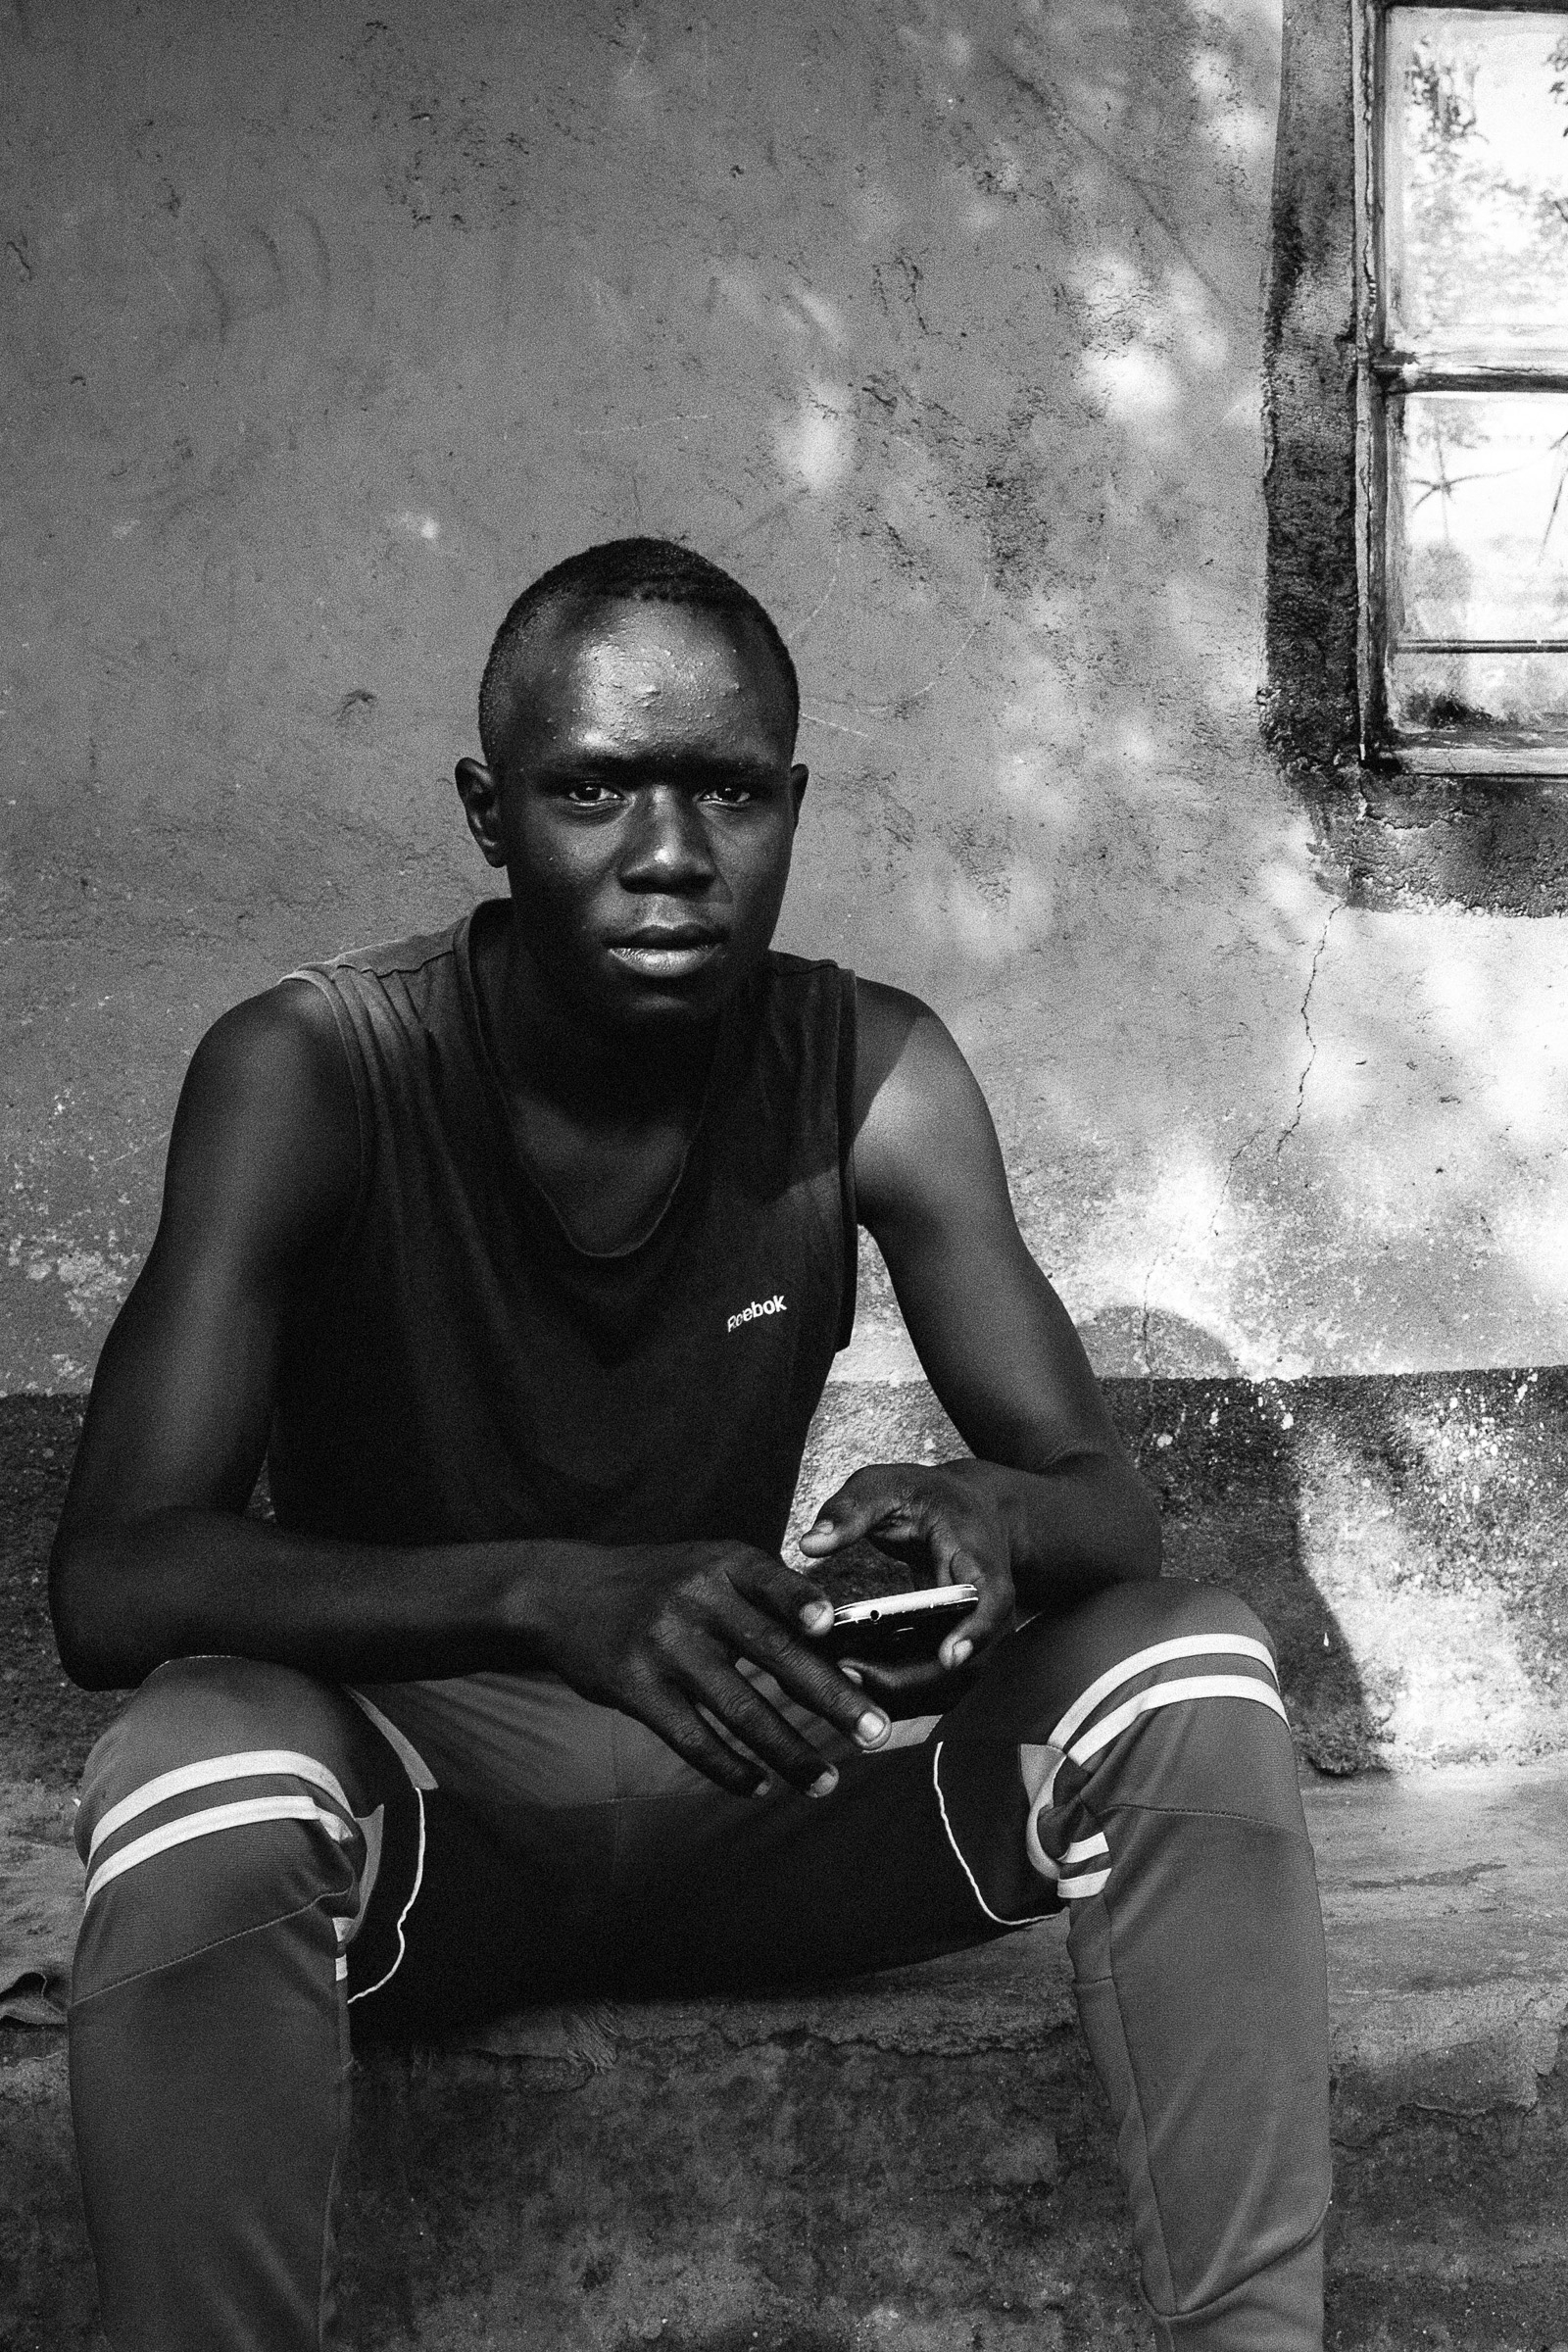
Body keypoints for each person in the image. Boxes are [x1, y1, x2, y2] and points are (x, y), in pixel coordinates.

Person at [51, 536, 1330, 2352]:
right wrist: (541, 1597)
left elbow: (1105, 1502)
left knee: (1195, 1661)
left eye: (727, 790)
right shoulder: (314, 1070)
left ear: (791, 805)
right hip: (434, 1840)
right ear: (491, 815)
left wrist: (985, 1521)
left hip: (763, 1786)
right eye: (594, 791)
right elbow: (114, 1577)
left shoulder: (871, 1068)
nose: (668, 853)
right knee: (199, 1768)